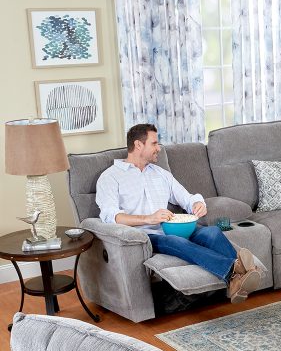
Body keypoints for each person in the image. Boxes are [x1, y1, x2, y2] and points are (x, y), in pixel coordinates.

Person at [96, 123, 261, 304]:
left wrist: (197, 204)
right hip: (145, 236)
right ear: (138, 145)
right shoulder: (111, 177)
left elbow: (186, 198)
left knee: (213, 232)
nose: (159, 148)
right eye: (154, 143)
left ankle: (237, 280)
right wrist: (148, 218)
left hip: (174, 227)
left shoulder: (161, 174)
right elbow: (111, 216)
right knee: (177, 241)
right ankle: (236, 272)